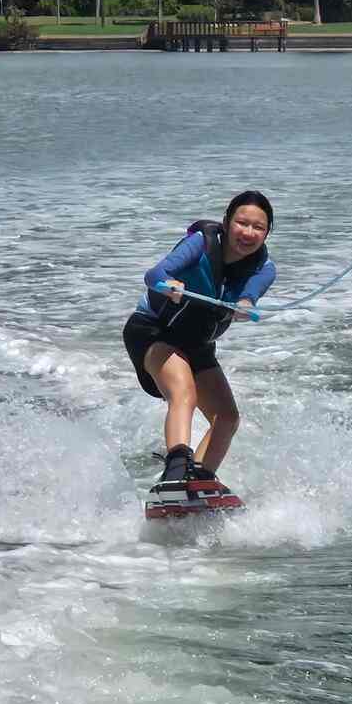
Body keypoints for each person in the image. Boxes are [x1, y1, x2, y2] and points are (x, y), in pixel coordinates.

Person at [123, 191, 277, 489]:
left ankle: (199, 480)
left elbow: (250, 294)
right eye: (241, 223)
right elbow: (155, 273)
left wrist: (245, 305)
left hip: (197, 344)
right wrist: (168, 284)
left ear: (267, 233)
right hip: (153, 331)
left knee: (227, 419)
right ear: (226, 222)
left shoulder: (264, 269)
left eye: (258, 227)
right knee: (184, 393)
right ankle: (177, 469)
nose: (248, 233)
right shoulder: (201, 244)